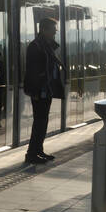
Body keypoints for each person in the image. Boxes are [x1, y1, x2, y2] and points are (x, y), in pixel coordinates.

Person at [23, 17, 64, 164]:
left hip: (47, 90)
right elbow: (33, 71)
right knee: (39, 122)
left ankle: (38, 150)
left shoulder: (46, 46)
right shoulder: (35, 46)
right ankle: (31, 154)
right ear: (44, 30)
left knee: (43, 121)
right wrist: (35, 89)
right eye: (53, 30)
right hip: (39, 91)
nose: (55, 32)